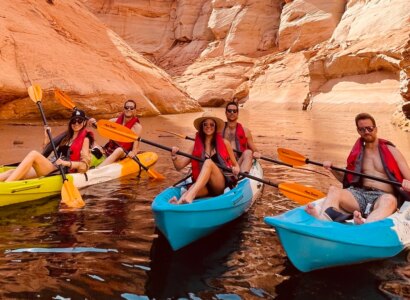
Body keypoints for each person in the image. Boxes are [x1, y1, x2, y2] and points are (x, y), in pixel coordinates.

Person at [306, 112, 410, 224]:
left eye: (369, 128)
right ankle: (323, 221)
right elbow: (346, 179)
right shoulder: (357, 153)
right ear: (358, 131)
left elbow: (409, 178)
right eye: (362, 129)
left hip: (382, 197)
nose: (366, 132)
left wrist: (407, 184)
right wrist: (332, 169)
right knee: (333, 190)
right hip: (359, 194)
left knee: (389, 200)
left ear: (376, 129)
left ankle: (364, 227)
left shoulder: (391, 151)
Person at [0, 109, 94, 182]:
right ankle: (7, 181)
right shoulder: (66, 136)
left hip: (58, 169)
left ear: (84, 122)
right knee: (12, 172)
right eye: (74, 121)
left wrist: (66, 163)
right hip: (50, 164)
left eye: (79, 121)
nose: (76, 123)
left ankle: (7, 185)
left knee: (33, 154)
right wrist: (46, 137)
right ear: (70, 123)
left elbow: (84, 166)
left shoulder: (85, 139)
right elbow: (45, 151)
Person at [169, 112, 240, 204]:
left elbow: (236, 165)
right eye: (205, 124)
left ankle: (190, 197)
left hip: (219, 184)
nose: (208, 126)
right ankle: (177, 204)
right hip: (204, 186)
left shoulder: (225, 143)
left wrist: (236, 169)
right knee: (188, 191)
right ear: (202, 127)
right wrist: (174, 157)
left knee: (208, 162)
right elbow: (179, 167)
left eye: (211, 124)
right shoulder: (195, 146)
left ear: (215, 127)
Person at [89, 99, 142, 167]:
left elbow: (135, 148)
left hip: (123, 152)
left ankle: (98, 169)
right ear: (124, 109)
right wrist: (93, 122)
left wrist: (133, 153)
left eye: (131, 108)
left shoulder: (137, 127)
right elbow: (100, 127)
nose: (129, 109)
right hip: (109, 149)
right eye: (126, 107)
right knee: (89, 138)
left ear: (134, 110)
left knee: (119, 150)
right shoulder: (114, 121)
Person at [222, 101, 260, 173]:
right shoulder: (219, 130)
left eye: (234, 111)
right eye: (229, 111)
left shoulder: (246, 131)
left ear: (237, 113)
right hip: (224, 163)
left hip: (239, 163)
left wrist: (256, 153)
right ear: (226, 113)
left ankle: (242, 176)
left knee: (248, 152)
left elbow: (255, 150)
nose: (232, 113)